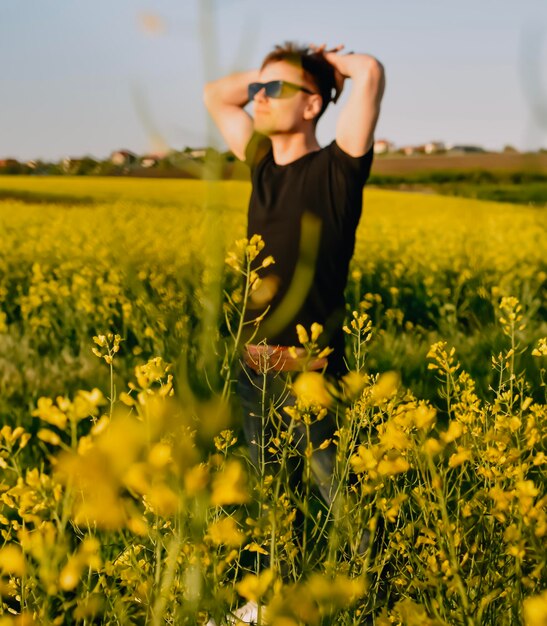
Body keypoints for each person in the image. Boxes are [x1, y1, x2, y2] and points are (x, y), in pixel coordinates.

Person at [203, 40, 385, 624]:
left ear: (312, 106)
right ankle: (260, 607)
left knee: (344, 508)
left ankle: (367, 605)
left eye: (276, 91)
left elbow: (370, 74)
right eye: (257, 90)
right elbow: (216, 95)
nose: (258, 98)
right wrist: (271, 76)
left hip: (313, 375)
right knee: (264, 500)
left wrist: (329, 66)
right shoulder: (260, 165)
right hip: (253, 370)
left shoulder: (337, 169)